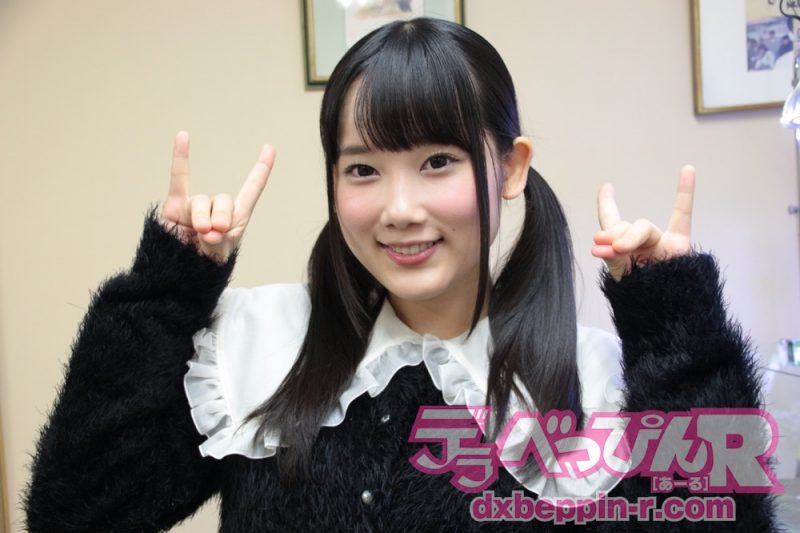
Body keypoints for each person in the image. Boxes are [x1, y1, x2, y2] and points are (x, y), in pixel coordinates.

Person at [23, 17, 780, 531]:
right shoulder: (259, 348)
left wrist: (673, 319)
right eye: (363, 169)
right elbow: (77, 512)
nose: (399, 208)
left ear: (511, 167)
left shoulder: (594, 379)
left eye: (438, 161)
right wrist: (168, 285)